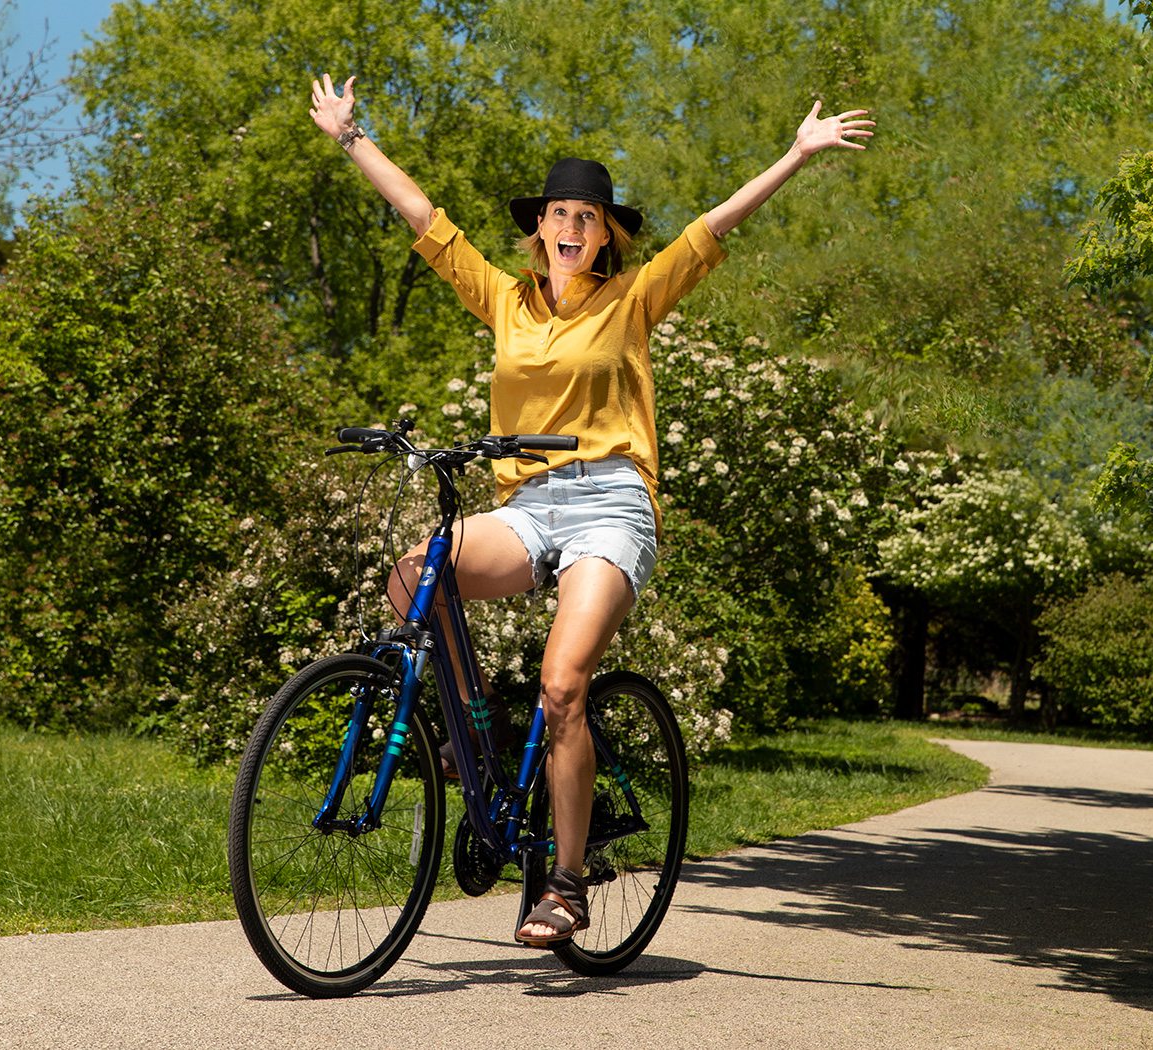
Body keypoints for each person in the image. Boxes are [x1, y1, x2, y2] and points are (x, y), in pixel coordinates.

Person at [307, 72, 873, 946]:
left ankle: (565, 886)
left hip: (612, 504)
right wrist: (350, 137)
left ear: (605, 234)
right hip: (528, 505)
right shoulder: (504, 299)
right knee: (415, 573)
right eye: (558, 215)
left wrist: (795, 156)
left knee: (565, 686)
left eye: (588, 217)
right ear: (538, 229)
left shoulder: (633, 296)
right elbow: (423, 217)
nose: (572, 228)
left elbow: (713, 226)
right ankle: (471, 727)